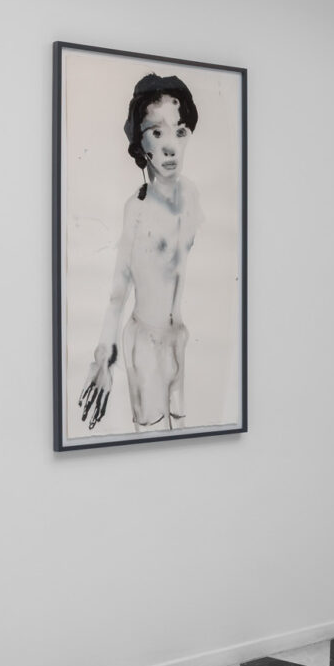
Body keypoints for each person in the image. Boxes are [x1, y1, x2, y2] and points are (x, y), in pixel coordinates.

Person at [79, 73, 202, 431]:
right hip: (145, 346)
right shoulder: (136, 209)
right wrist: (103, 358)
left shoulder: (191, 195)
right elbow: (119, 290)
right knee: (151, 441)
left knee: (184, 437)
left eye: (180, 131)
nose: (170, 146)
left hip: (178, 339)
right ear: (140, 142)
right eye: (157, 132)